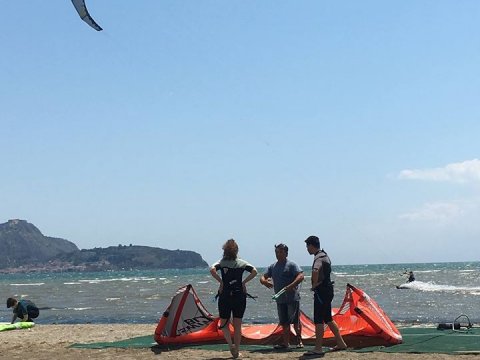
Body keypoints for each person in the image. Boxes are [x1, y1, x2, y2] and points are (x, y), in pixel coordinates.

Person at [210, 239, 257, 359]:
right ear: (236, 251)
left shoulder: (221, 262)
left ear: (224, 251)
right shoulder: (242, 263)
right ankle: (237, 348)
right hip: (239, 295)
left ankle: (230, 345)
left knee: (224, 322)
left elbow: (212, 269)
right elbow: (254, 271)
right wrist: (243, 282)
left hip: (225, 294)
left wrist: (221, 282)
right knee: (237, 324)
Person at [303, 235, 347, 357]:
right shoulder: (325, 255)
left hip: (322, 292)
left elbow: (316, 270)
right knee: (328, 318)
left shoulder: (318, 257)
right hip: (328, 290)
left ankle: (318, 348)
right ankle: (341, 343)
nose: (307, 249)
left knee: (318, 320)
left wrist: (314, 284)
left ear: (312, 246)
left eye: (307, 246)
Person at [260, 243, 304, 349]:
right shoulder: (273, 266)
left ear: (286, 253)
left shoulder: (292, 265)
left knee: (295, 321)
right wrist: (265, 282)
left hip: (292, 298)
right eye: (277, 252)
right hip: (280, 299)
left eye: (280, 252)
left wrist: (292, 285)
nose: (278, 254)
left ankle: (299, 341)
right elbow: (262, 277)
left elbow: (301, 275)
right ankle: (286, 343)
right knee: (284, 322)